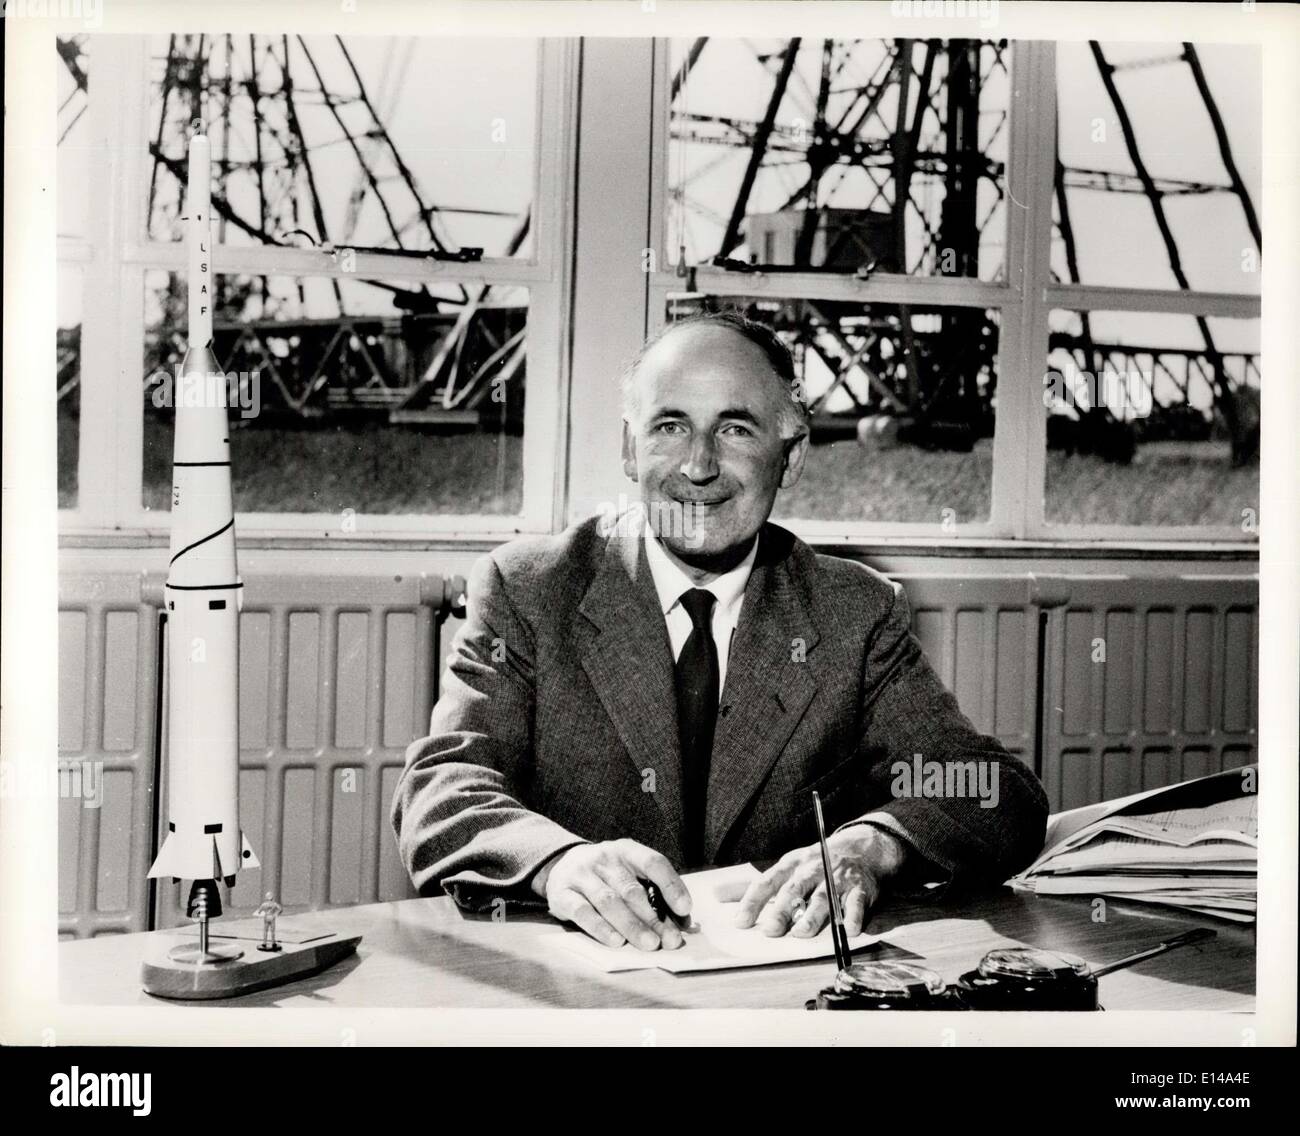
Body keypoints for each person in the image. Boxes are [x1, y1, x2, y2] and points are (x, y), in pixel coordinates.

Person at [391, 311, 1048, 952]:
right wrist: (559, 863)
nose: (699, 466)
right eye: (670, 427)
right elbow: (442, 789)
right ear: (629, 449)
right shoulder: (530, 588)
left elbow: (991, 788)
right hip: (582, 989)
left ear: (789, 456)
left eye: (735, 430)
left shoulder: (854, 611)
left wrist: (871, 845)